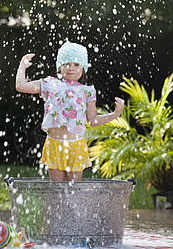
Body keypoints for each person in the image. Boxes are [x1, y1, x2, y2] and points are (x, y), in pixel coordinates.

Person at [16, 41, 124, 182]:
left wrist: (115, 114)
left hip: (76, 146)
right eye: (66, 64)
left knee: (74, 192)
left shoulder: (87, 91)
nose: (71, 68)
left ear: (83, 68)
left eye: (76, 64)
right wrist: (22, 66)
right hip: (55, 144)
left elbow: (93, 120)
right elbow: (21, 86)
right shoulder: (50, 84)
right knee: (57, 191)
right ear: (59, 66)